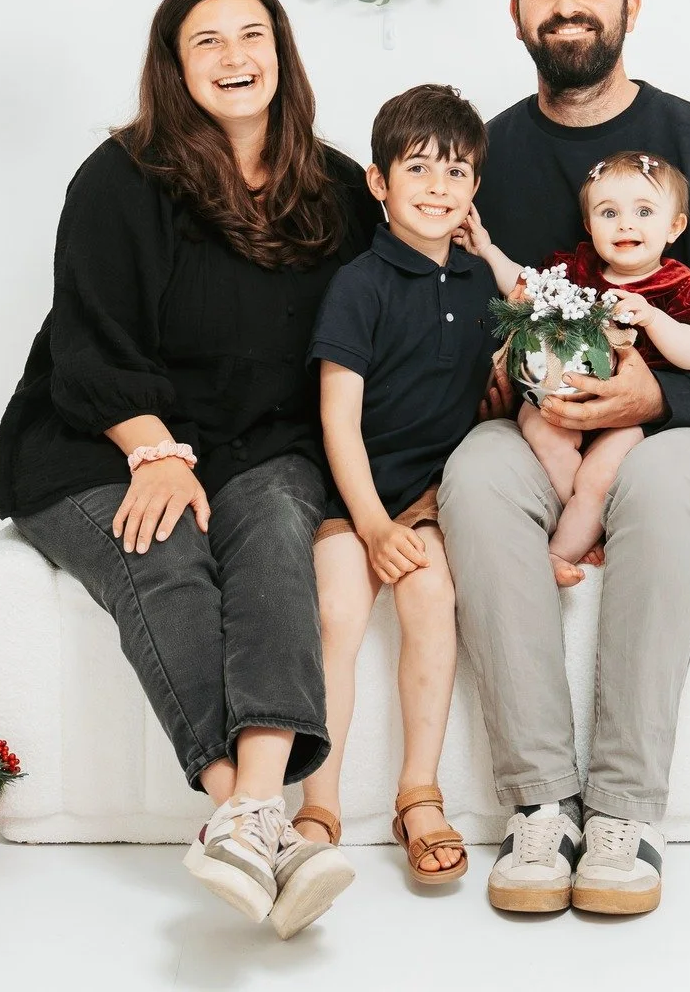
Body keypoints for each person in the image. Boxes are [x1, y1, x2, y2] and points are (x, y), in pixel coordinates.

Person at [0, 0, 376, 938]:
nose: (233, 57)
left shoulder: (333, 189)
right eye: (206, 40)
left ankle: (247, 823)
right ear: (173, 63)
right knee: (162, 547)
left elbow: (377, 329)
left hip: (262, 443)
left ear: (280, 50)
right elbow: (87, 342)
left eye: (252, 35)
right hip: (99, 439)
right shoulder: (119, 178)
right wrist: (152, 450)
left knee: (279, 530)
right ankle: (246, 813)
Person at [438, 0, 690, 917]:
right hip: (540, 424)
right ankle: (540, 806)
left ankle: (625, 814)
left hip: (685, 430)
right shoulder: (489, 157)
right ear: (515, 14)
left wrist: (656, 395)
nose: (565, 6)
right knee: (471, 476)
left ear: (627, 3)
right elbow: (460, 321)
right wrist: (506, 377)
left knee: (655, 475)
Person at [292, 85, 492, 885]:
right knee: (338, 611)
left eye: (458, 171)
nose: (439, 187)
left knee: (430, 601)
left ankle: (419, 794)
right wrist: (372, 524)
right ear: (378, 182)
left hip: (429, 499)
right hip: (353, 496)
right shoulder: (359, 283)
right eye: (419, 168)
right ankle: (319, 805)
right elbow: (338, 420)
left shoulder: (480, 284)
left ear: (476, 189)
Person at [459, 150, 690, 586]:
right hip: (559, 397)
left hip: (626, 417)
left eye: (644, 211)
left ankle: (558, 552)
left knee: (599, 477)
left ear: (674, 226)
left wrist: (653, 318)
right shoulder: (577, 270)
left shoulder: (682, 287)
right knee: (540, 431)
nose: (625, 224)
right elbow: (525, 286)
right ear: (589, 224)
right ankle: (586, 523)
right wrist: (486, 249)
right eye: (608, 212)